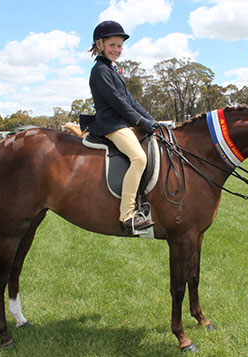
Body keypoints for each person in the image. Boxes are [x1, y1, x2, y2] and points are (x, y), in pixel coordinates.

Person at [88, 20, 159, 234]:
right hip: (112, 124)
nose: (117, 50)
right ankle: (127, 216)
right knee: (139, 158)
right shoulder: (100, 70)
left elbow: (130, 100)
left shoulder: (113, 69)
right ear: (99, 44)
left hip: (124, 122)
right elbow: (118, 103)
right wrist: (140, 122)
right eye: (112, 45)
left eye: (119, 46)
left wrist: (151, 120)